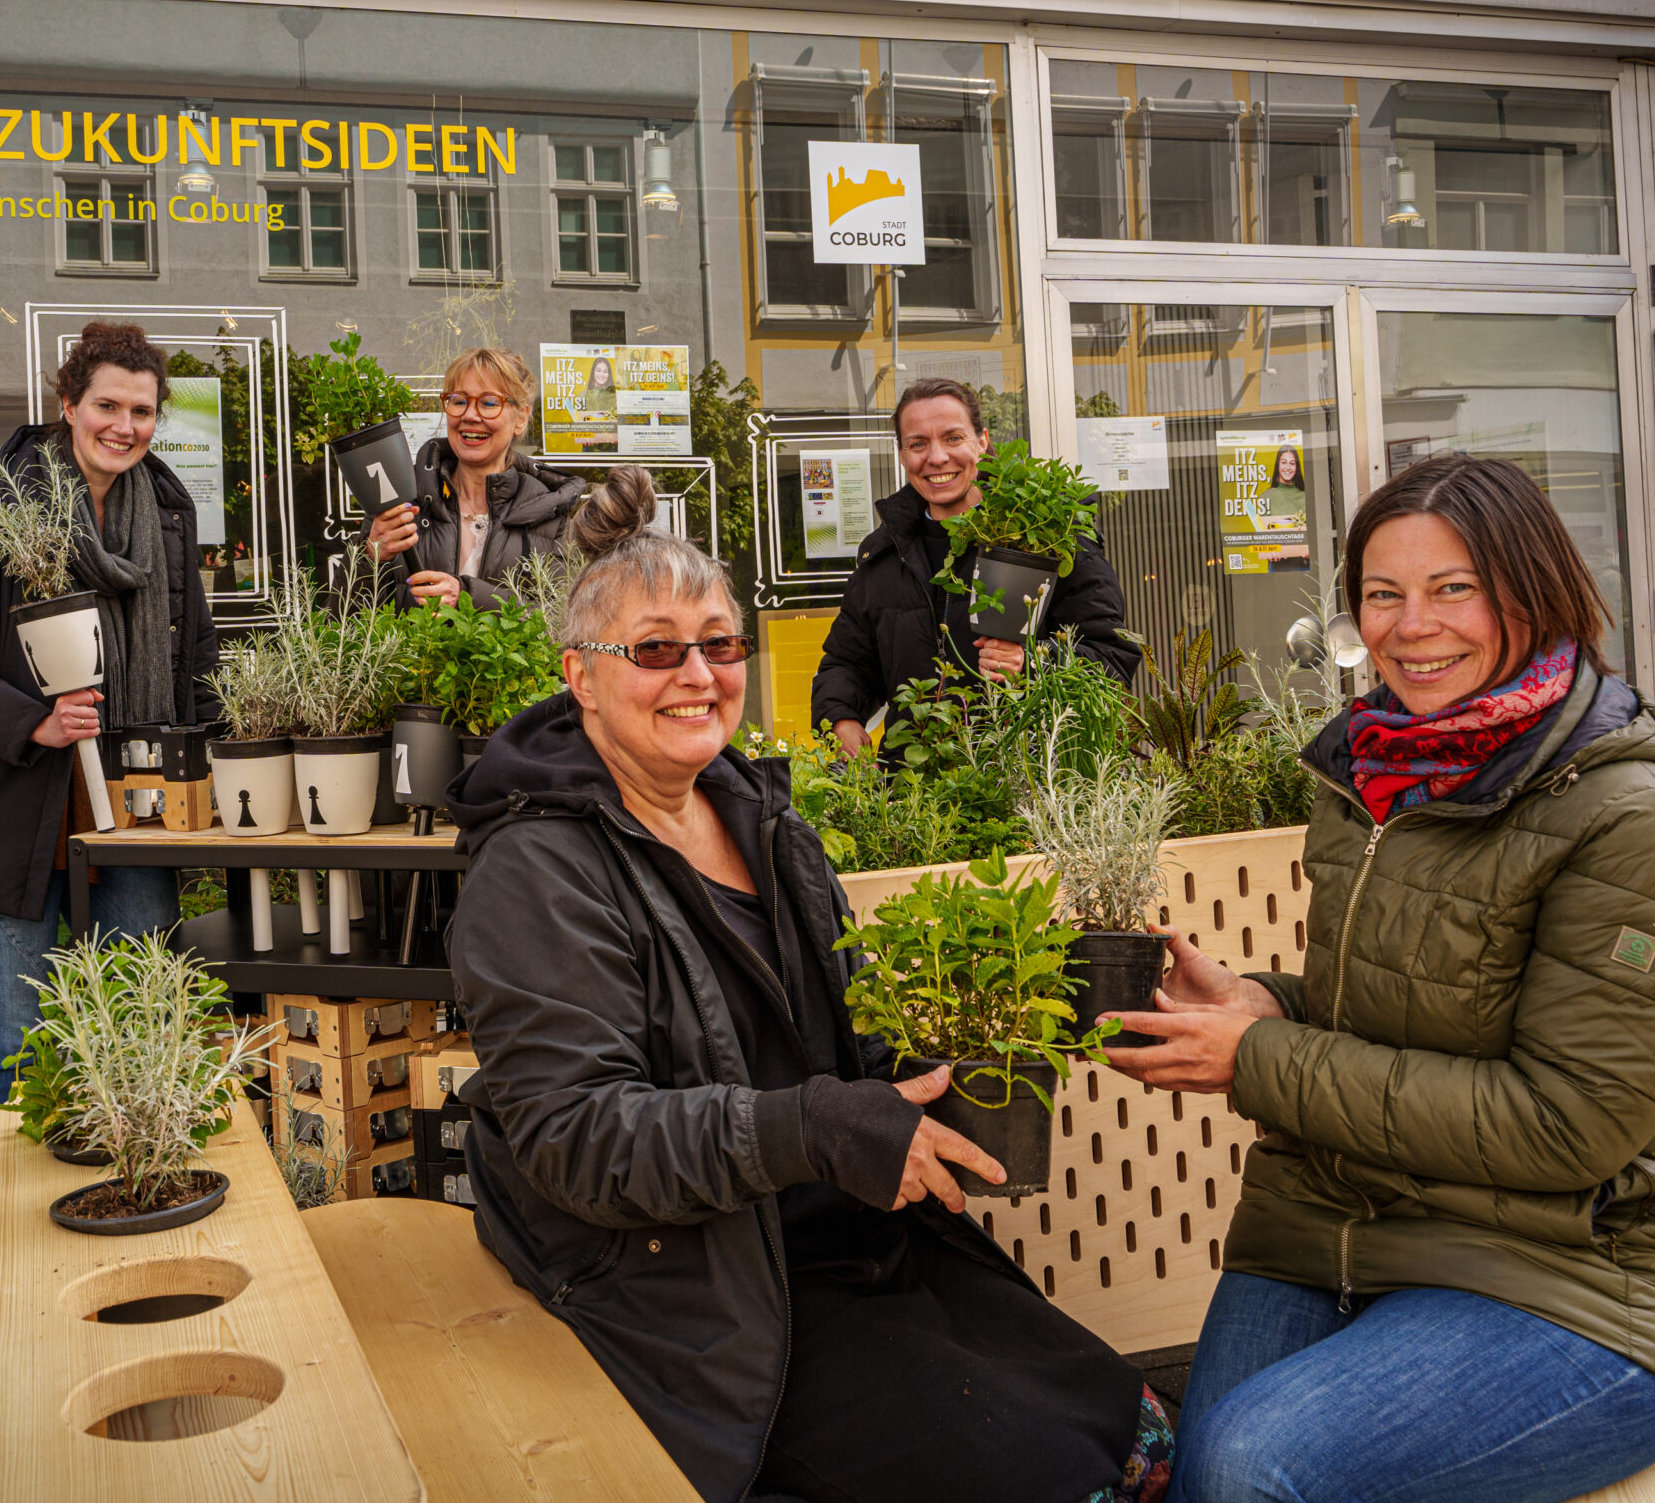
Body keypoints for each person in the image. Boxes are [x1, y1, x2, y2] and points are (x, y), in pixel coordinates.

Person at [446, 466, 1170, 1503]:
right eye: (654, 649)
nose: (696, 672)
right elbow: (577, 1139)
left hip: (848, 1226)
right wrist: (815, 1128)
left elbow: (845, 1043)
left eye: (719, 643)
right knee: (1049, 1475)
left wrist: (972, 1036)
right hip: (698, 1282)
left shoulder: (758, 813)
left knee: (1127, 1424)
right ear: (581, 675)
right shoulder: (536, 869)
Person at [1103, 453, 1655, 1503]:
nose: (1413, 626)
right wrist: (1263, 1001)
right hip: (1333, 1226)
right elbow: (1398, 1015)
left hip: (1573, 1281)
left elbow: (1563, 1123)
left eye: (1453, 588)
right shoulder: (1374, 775)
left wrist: (1259, 1058)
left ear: (1530, 590)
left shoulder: (1637, 822)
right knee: (1197, 1473)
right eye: (1383, 595)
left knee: (1249, 1466)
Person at [0, 320, 221, 1108]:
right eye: (107, 405)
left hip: (135, 817)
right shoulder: (0, 515)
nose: (125, 426)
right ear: (70, 405)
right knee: (23, 1052)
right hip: (8, 816)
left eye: (142, 412)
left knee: (137, 1031)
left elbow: (197, 667)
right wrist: (32, 721)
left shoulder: (167, 521)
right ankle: (15, 1231)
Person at [811, 377, 1138, 757]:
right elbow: (847, 661)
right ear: (902, 455)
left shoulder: (1048, 536)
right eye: (918, 444)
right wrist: (840, 718)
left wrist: (1033, 661)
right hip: (918, 792)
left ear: (981, 442)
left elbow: (1112, 656)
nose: (936, 458)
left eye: (952, 438)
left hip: (1028, 785)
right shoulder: (885, 554)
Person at [366, 345, 586, 608]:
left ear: (521, 418)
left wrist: (469, 598)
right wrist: (369, 558)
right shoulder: (400, 500)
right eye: (459, 401)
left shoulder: (550, 518)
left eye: (489, 403)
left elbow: (562, 623)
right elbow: (342, 620)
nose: (470, 415)